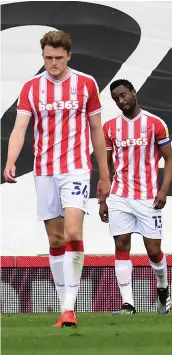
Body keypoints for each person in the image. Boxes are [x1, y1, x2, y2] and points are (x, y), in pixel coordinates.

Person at [3, 30, 111, 327]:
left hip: (76, 168)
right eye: (48, 58)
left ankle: (68, 308)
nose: (53, 63)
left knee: (74, 233)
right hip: (45, 170)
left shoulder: (86, 84)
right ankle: (64, 305)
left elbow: (97, 131)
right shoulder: (31, 88)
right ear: (43, 57)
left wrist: (104, 174)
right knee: (55, 238)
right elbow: (19, 127)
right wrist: (10, 160)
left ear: (69, 56)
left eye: (58, 58)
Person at [99, 79, 172, 315]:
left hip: (148, 197)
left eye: (123, 96)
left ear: (133, 92)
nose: (121, 101)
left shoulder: (155, 124)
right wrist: (103, 199)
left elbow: (169, 159)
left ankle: (163, 287)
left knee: (153, 251)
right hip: (120, 196)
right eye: (116, 99)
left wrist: (163, 190)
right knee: (121, 245)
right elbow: (106, 166)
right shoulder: (110, 128)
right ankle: (128, 304)